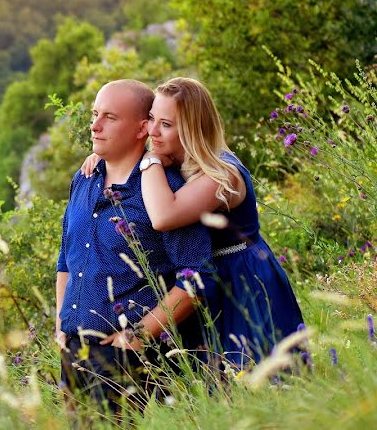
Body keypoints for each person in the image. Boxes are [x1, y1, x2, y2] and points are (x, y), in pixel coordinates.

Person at [81, 77, 304, 368]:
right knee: (216, 386)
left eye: (167, 124)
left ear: (192, 128)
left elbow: (163, 216)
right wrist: (108, 157)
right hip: (200, 282)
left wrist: (148, 161)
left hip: (241, 281)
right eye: (151, 119)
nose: (154, 132)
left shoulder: (221, 174)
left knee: (259, 373)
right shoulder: (175, 161)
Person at [56, 79, 214, 413]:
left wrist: (139, 337)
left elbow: (196, 279)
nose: (95, 126)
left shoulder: (164, 192)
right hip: (73, 351)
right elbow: (66, 262)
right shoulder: (82, 179)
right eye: (95, 114)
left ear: (143, 128)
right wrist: (61, 327)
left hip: (128, 357)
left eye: (110, 117)